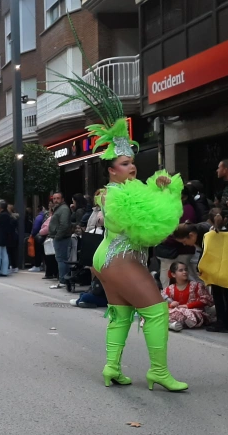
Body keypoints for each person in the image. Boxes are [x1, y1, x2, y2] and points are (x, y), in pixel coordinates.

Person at [47, 58, 187, 391]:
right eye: (125, 164)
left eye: (133, 163)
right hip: (118, 257)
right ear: (112, 170)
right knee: (155, 310)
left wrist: (161, 190)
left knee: (121, 313)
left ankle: (111, 367)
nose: (132, 168)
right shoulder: (111, 195)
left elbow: (147, 210)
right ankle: (158, 371)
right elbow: (142, 225)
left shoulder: (130, 190)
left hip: (113, 258)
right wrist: (162, 204)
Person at [163, 262, 214, 331]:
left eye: (186, 270)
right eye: (181, 270)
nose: (184, 272)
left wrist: (188, 306)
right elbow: (161, 303)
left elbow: (207, 300)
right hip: (175, 311)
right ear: (173, 274)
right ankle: (171, 324)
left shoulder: (196, 286)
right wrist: (171, 305)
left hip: (194, 312)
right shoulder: (169, 289)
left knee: (185, 313)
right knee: (161, 312)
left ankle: (169, 323)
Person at [48, 192, 71, 289]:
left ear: (62, 199)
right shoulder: (59, 209)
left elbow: (64, 224)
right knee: (61, 259)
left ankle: (63, 281)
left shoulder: (64, 209)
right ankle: (63, 280)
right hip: (60, 237)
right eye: (54, 198)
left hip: (62, 238)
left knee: (61, 259)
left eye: (58, 198)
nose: (55, 200)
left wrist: (57, 236)